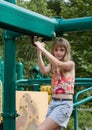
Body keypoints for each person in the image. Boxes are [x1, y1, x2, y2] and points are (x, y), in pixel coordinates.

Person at [34, 37, 75, 130]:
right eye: (56, 50)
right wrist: (39, 52)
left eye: (62, 50)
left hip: (64, 104)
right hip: (53, 103)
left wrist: (42, 49)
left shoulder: (70, 64)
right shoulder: (53, 64)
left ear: (66, 51)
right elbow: (43, 70)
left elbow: (58, 64)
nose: (58, 52)